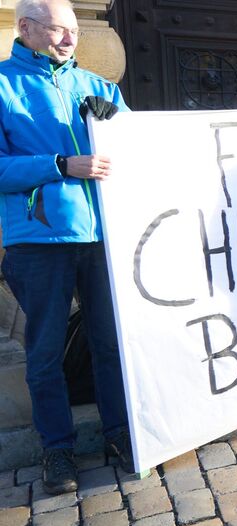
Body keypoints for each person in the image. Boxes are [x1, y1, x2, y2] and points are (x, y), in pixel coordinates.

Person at [0, 0, 134, 494]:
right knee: (46, 352)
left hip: (103, 237)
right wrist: (59, 164)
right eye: (59, 30)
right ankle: (58, 450)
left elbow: (141, 153)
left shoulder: (97, 86)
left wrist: (118, 124)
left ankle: (121, 433)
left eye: (75, 30)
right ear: (27, 28)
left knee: (111, 343)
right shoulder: (1, 84)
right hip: (39, 241)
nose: (70, 40)